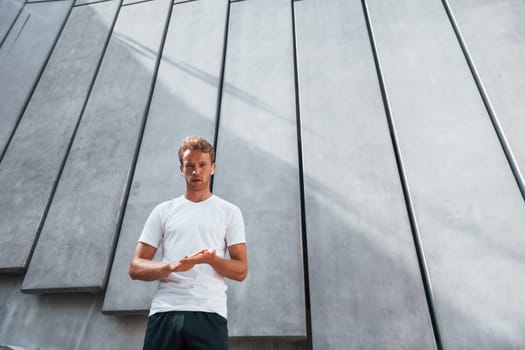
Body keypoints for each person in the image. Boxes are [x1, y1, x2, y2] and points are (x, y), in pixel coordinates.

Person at [129, 135, 248, 350]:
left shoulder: (229, 212)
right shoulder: (163, 211)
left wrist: (212, 260)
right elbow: (136, 267)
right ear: (181, 169)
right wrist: (170, 266)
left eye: (202, 165)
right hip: (165, 310)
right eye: (189, 165)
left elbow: (241, 271)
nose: (196, 171)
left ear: (212, 168)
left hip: (209, 312)